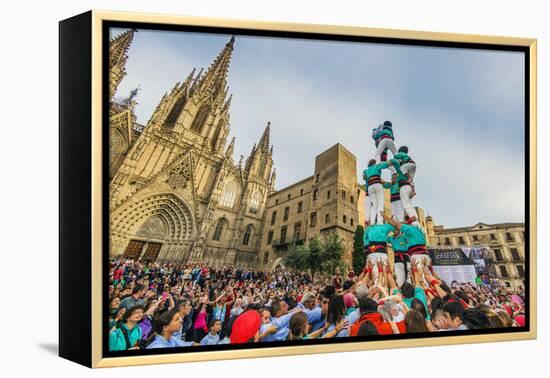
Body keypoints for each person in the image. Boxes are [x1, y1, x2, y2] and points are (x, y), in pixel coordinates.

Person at [389, 158, 418, 224]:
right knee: (394, 217)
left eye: (395, 176)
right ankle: (397, 231)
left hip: (399, 200)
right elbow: (384, 184)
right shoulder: (391, 184)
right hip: (392, 201)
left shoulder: (400, 182)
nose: (393, 178)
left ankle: (405, 227)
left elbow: (409, 187)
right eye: (392, 177)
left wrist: (413, 191)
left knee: (400, 216)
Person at [363, 159, 392, 224]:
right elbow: (386, 164)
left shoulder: (366, 170)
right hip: (377, 184)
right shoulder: (377, 166)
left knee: (374, 206)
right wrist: (390, 162)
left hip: (370, 187)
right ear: (374, 163)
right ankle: (380, 222)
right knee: (380, 204)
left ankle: (372, 223)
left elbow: (364, 176)